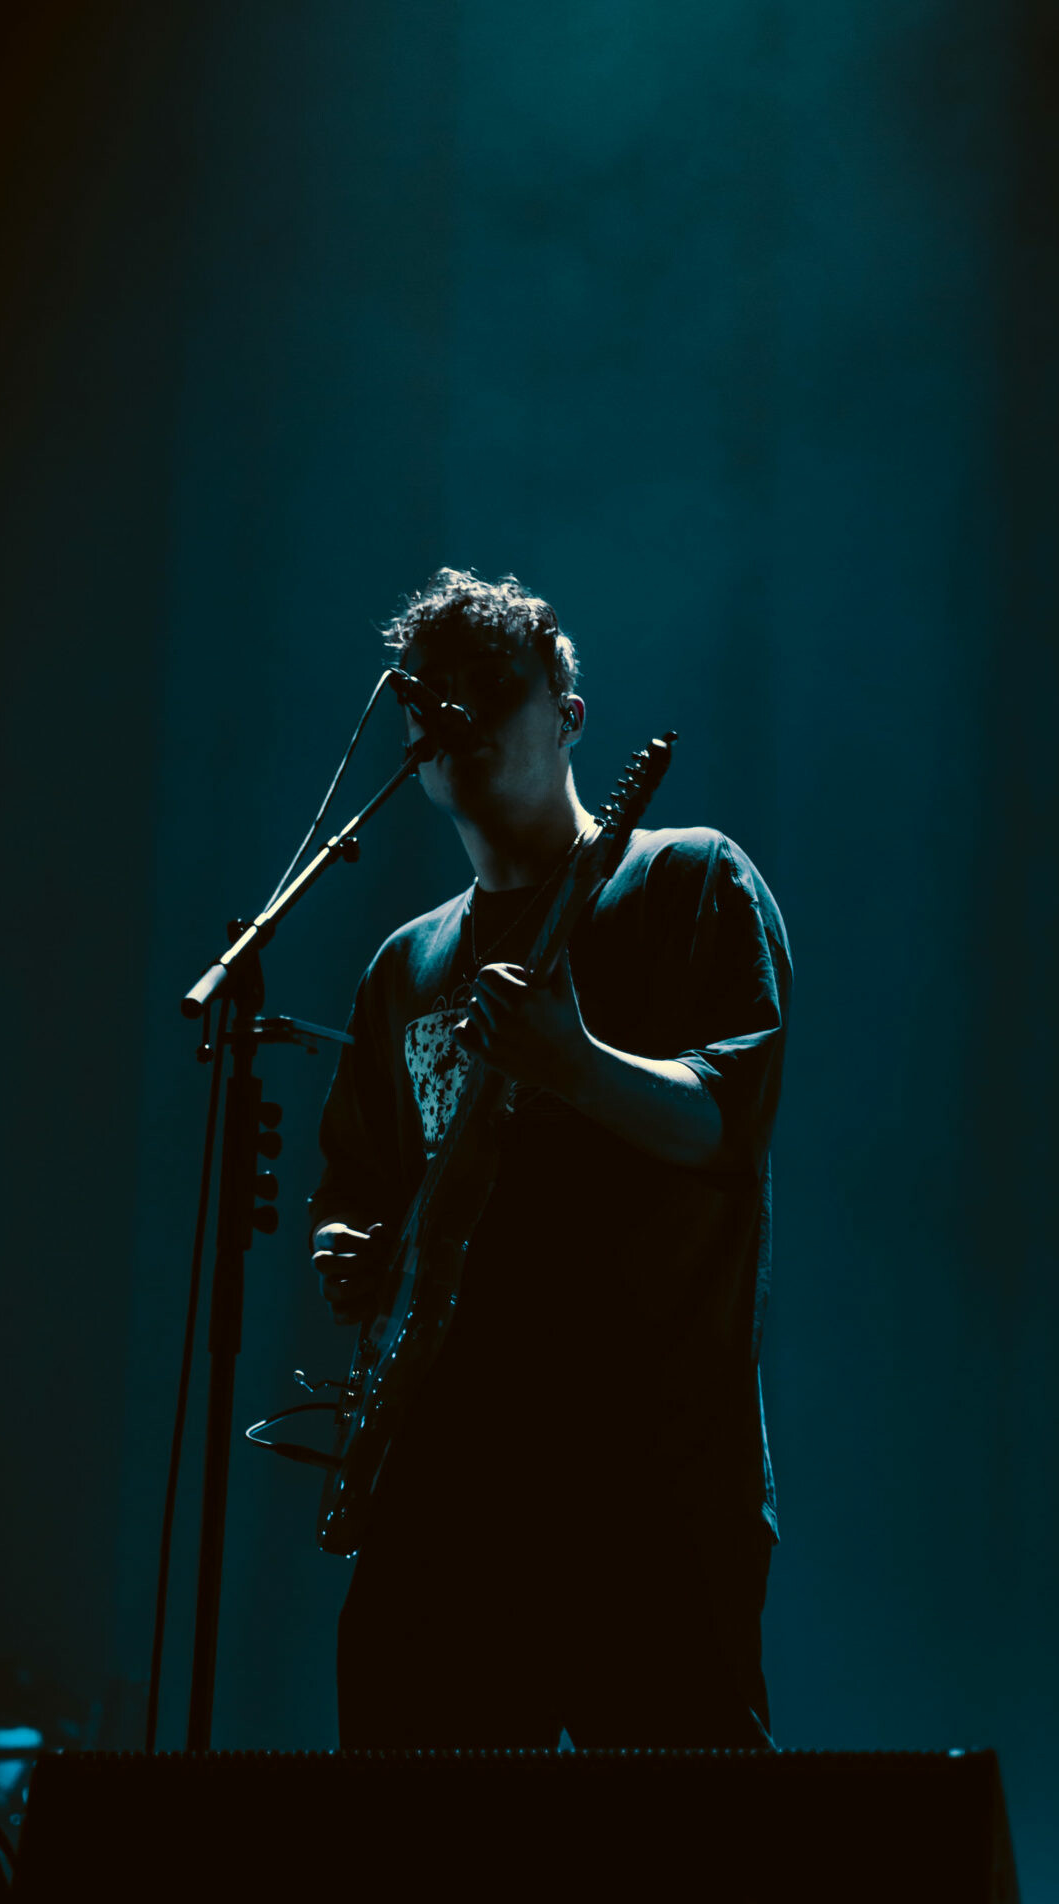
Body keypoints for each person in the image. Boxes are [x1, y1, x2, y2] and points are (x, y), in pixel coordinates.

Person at [310, 568, 791, 1749]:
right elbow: (363, 1193)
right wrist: (352, 1254)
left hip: (647, 1483)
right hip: (447, 1497)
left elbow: (727, 1122)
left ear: (569, 716)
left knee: (682, 1892)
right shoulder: (401, 968)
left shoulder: (689, 877)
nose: (456, 715)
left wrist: (576, 1063)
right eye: (433, 699)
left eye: (494, 688)